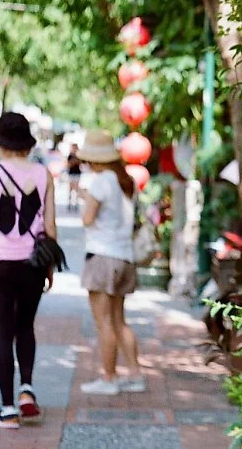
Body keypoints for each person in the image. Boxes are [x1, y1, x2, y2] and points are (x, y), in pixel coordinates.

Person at [0, 112, 57, 429]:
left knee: (3, 333)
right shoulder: (44, 175)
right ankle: (27, 389)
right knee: (26, 327)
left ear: (1, 143)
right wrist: (49, 265)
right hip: (33, 262)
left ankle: (7, 409)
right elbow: (50, 227)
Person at [76, 129, 145, 395]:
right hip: (124, 256)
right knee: (118, 320)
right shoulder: (125, 181)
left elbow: (87, 219)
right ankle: (135, 374)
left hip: (102, 257)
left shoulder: (100, 182)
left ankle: (109, 377)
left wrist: (85, 201)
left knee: (103, 321)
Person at [65, 143, 82, 212]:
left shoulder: (78, 156)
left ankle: (76, 203)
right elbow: (68, 164)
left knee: (76, 189)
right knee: (70, 189)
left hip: (77, 174)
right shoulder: (70, 156)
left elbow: (80, 163)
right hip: (71, 174)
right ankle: (69, 203)